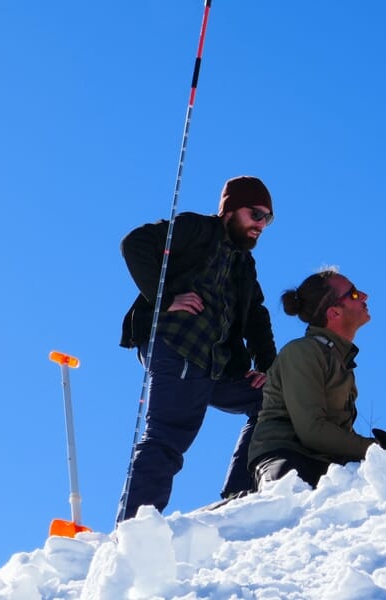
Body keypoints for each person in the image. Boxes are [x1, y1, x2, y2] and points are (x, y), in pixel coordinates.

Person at [118, 175, 277, 520]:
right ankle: (134, 529)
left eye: (268, 218)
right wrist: (166, 298)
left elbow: (256, 317)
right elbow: (136, 243)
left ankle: (241, 491)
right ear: (230, 210)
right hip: (180, 347)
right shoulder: (197, 229)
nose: (261, 224)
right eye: (255, 214)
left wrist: (268, 369)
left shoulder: (244, 265)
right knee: (168, 436)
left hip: (216, 365)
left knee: (273, 402)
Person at [247, 269, 386, 490]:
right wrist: (378, 450)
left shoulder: (338, 359)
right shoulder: (302, 352)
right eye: (354, 295)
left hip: (327, 462)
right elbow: (313, 431)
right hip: (288, 457)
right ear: (334, 313)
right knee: (286, 504)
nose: (364, 296)